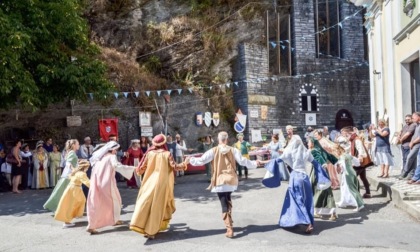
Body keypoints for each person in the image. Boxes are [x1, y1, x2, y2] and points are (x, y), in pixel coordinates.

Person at [189, 131, 258, 238]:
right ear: (227, 139)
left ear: (218, 139)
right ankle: (230, 221)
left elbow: (201, 160)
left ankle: (229, 228)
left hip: (220, 181)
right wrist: (255, 163)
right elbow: (243, 161)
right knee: (228, 198)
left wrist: (190, 160)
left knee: (224, 203)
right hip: (230, 180)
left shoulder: (213, 150)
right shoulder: (233, 149)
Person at [261, 136, 324, 234]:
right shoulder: (306, 152)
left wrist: (263, 162)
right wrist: (323, 176)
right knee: (306, 200)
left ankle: (307, 223)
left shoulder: (290, 152)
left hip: (296, 177)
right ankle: (304, 220)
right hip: (305, 178)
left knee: (296, 200)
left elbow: (277, 160)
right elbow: (316, 164)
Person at [130, 134, 189, 239]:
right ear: (163, 143)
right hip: (162, 184)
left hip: (149, 183)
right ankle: (151, 231)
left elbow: (140, 170)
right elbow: (175, 167)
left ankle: (144, 227)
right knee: (157, 207)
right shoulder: (167, 154)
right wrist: (185, 163)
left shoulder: (149, 154)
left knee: (145, 205)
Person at [86, 141, 136, 235]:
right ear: (113, 150)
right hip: (107, 183)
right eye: (116, 150)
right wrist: (132, 169)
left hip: (96, 183)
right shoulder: (111, 157)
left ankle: (92, 225)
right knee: (116, 201)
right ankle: (114, 220)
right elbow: (116, 166)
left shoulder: (99, 158)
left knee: (96, 202)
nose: (116, 152)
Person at [43, 139, 79, 212]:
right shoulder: (72, 152)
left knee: (63, 193)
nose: (79, 145)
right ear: (73, 145)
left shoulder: (71, 152)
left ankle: (70, 208)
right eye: (78, 144)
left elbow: (72, 162)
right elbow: (68, 163)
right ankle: (61, 208)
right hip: (68, 176)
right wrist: (73, 169)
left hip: (69, 175)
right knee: (63, 193)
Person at [307, 137, 338, 220]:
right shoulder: (321, 149)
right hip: (323, 171)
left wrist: (323, 165)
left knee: (317, 190)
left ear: (312, 144)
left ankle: (319, 211)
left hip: (318, 172)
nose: (307, 144)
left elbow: (319, 159)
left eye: (309, 142)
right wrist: (337, 163)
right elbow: (332, 157)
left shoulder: (313, 150)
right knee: (326, 191)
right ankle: (330, 212)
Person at [54, 160, 90, 228]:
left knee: (81, 200)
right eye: (87, 167)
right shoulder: (82, 174)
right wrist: (95, 187)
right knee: (72, 204)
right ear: (84, 167)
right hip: (75, 189)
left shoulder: (76, 171)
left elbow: (71, 176)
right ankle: (67, 221)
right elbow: (87, 182)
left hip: (72, 188)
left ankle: (76, 214)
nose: (88, 169)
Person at [335, 136, 365, 211]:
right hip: (352, 172)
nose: (336, 152)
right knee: (345, 188)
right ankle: (343, 202)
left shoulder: (342, 157)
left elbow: (342, 166)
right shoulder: (348, 155)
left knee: (351, 188)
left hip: (347, 173)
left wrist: (340, 167)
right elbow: (358, 163)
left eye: (337, 150)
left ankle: (360, 204)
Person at [347, 130, 372, 198]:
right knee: (363, 177)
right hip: (358, 161)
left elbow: (360, 148)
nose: (347, 136)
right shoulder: (353, 140)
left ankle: (356, 194)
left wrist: (360, 156)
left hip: (359, 162)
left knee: (353, 177)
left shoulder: (356, 140)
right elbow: (350, 149)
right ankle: (368, 193)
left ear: (351, 133)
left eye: (347, 135)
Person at [400, 112, 420, 180]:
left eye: (413, 118)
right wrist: (411, 142)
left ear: (418, 117)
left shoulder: (416, 125)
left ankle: (405, 172)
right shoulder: (417, 125)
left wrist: (412, 142)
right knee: (413, 160)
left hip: (417, 144)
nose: (412, 119)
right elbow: (414, 135)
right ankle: (411, 175)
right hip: (413, 144)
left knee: (409, 157)